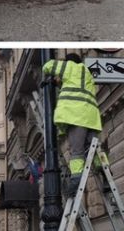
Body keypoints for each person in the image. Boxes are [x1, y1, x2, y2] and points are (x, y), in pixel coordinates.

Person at [42, 53, 102, 197]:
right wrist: (60, 83)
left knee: (77, 151)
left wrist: (56, 74)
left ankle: (75, 181)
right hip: (91, 116)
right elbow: (76, 85)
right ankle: (104, 174)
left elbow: (47, 66)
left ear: (69, 61)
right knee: (94, 149)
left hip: (76, 115)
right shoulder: (86, 72)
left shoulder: (69, 67)